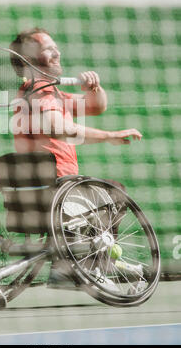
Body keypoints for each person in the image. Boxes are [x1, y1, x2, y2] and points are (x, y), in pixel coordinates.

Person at [9, 27, 142, 288]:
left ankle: (82, 262)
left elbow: (96, 106)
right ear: (30, 59)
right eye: (48, 49)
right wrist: (111, 135)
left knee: (110, 192)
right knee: (115, 192)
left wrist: (94, 87)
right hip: (56, 190)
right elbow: (62, 129)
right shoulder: (38, 93)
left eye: (55, 46)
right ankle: (80, 268)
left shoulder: (51, 93)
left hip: (52, 190)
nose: (57, 52)